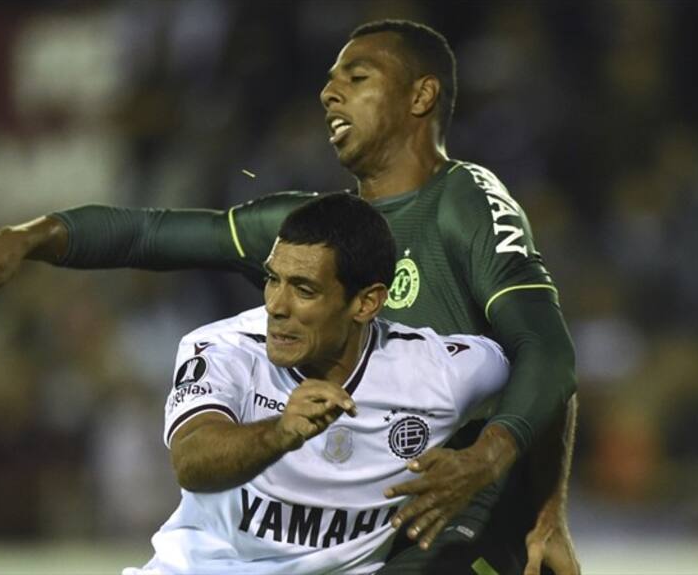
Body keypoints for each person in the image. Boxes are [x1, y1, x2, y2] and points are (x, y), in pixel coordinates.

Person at [0, 19, 578, 575]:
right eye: (330, 79)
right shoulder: (311, 234)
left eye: (356, 78)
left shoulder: (463, 199)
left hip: (453, 506)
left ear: (422, 95)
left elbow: (546, 351)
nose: (330, 92)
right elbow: (153, 233)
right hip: (342, 525)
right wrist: (31, 236)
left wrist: (540, 505)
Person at [124, 192, 510, 575]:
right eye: (273, 279)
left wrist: (493, 471)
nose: (276, 305)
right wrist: (279, 434)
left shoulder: (437, 371)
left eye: (303, 289)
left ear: (366, 304)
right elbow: (192, 462)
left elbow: (545, 372)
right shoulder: (225, 349)